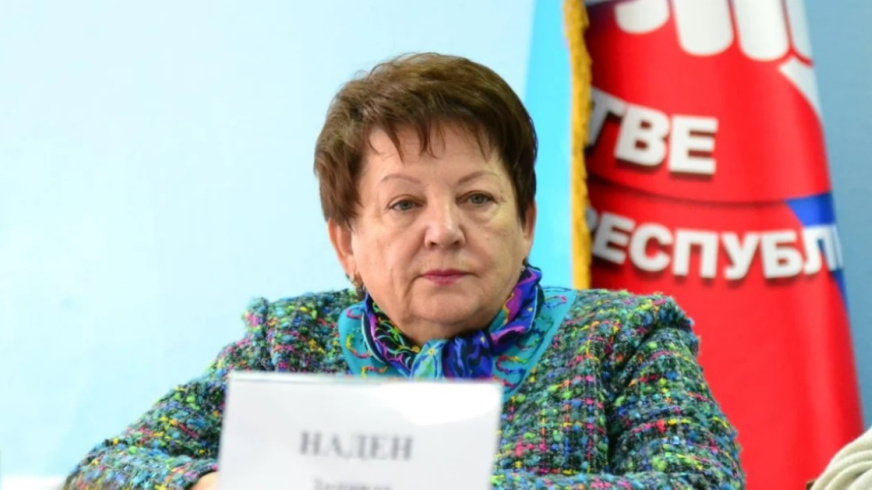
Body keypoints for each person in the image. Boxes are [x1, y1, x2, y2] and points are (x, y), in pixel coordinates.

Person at [64, 52, 745, 489]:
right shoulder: (287, 342)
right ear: (346, 243)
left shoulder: (623, 339)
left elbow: (700, 481)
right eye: (404, 204)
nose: (444, 229)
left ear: (526, 222)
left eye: (477, 198)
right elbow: (103, 471)